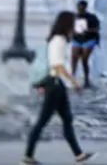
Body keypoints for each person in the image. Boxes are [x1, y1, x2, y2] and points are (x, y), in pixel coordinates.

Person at [23, 11, 97, 164]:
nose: (75, 26)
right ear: (67, 24)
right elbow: (57, 65)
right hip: (54, 85)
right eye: (73, 22)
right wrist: (73, 81)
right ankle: (27, 156)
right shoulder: (58, 40)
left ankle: (79, 154)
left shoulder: (60, 40)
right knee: (42, 121)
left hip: (57, 85)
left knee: (67, 119)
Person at [70, 0, 100, 88]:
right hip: (77, 39)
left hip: (88, 39)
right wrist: (73, 32)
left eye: (81, 8)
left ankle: (86, 79)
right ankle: (73, 78)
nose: (80, 9)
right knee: (74, 57)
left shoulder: (91, 17)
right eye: (78, 7)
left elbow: (96, 29)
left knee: (84, 59)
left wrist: (87, 30)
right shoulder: (74, 17)